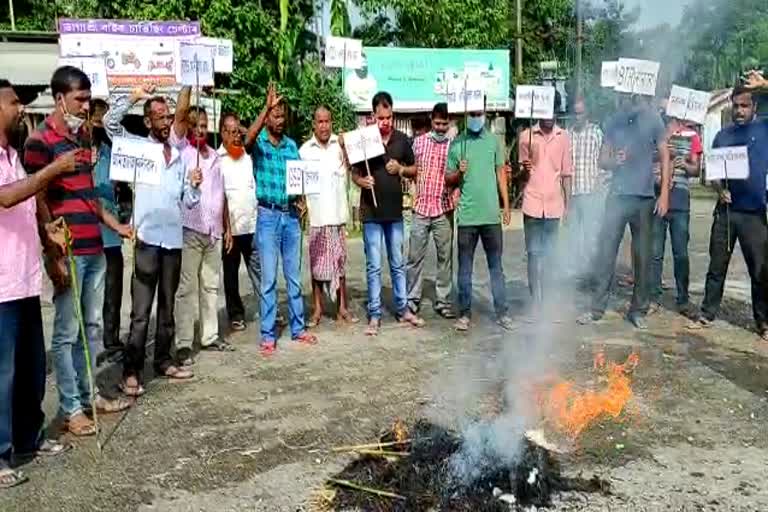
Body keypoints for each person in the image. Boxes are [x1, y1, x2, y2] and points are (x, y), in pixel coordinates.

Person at [24, 66, 133, 436]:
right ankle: (71, 408)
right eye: (80, 99)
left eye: (89, 99)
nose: (86, 107)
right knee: (68, 333)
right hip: (67, 250)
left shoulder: (82, 139)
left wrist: (117, 226)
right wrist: (50, 248)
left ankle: (90, 395)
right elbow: (35, 196)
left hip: (95, 246)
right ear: (59, 98)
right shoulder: (40, 141)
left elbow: (88, 196)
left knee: (92, 327)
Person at [104, 85, 202, 395]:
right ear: (147, 122)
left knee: (167, 307)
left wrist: (195, 186)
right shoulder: (138, 149)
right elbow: (110, 124)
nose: (164, 122)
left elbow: (188, 201)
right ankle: (131, 371)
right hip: (146, 239)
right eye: (158, 117)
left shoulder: (181, 157)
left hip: (172, 240)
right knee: (141, 311)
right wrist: (134, 96)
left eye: (168, 117)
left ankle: (163, 359)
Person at [0, 79, 71, 489]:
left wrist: (49, 234)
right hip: (2, 286)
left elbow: (30, 199)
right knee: (2, 373)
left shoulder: (13, 155)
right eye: (14, 104)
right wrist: (54, 170)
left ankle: (29, 437)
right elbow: (7, 197)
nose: (22, 110)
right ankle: (1, 453)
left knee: (31, 367)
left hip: (24, 279)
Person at [577, 94, 671, 330]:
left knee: (642, 256)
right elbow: (602, 159)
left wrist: (665, 194)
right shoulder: (614, 121)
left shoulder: (653, 120)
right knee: (606, 252)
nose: (633, 95)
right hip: (617, 196)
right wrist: (614, 161)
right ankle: (596, 308)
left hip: (644, 198)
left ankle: (638, 310)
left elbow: (665, 155)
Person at [689, 83, 768, 338]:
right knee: (717, 264)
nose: (739, 110)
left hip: (754, 212)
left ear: (755, 106)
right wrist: (719, 190)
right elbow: (712, 173)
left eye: (744, 105)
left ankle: (763, 321)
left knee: (760, 269)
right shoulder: (723, 136)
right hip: (726, 212)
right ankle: (707, 312)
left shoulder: (765, 128)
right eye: (735, 105)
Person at [245, 84, 317, 355]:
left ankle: (298, 329)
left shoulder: (291, 146)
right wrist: (265, 106)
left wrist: (301, 200)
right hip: (267, 215)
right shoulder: (259, 143)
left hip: (290, 216)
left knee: (294, 277)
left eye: (281, 115)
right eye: (275, 115)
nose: (279, 120)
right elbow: (246, 140)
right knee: (268, 280)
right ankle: (267, 334)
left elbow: (297, 180)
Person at [351, 91, 425, 336]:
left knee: (397, 263)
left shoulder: (403, 140)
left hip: (394, 213)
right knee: (373, 266)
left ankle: (403, 309)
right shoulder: (365, 140)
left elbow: (415, 170)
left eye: (389, 117)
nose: (386, 122)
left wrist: (401, 168)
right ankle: (374, 314)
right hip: (371, 213)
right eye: (381, 117)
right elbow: (354, 173)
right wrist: (361, 181)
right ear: (373, 116)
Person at [445, 102, 513, 332]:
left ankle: (502, 312)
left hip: (491, 216)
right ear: (466, 115)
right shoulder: (457, 144)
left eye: (479, 113)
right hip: (467, 217)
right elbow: (448, 179)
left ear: (485, 114)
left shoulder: (494, 142)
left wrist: (505, 206)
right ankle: (464, 313)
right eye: (472, 114)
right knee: (465, 269)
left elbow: (500, 173)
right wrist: (458, 172)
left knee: (496, 266)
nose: (475, 117)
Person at [175, 106, 234, 364]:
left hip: (213, 232)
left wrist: (227, 227)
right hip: (190, 229)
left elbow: (222, 195)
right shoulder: (182, 155)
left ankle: (209, 335)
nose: (200, 130)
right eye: (196, 125)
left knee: (210, 285)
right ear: (188, 128)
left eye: (203, 125)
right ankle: (184, 343)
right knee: (186, 288)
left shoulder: (215, 158)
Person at [299, 106, 358, 326]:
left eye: (327, 121)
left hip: (337, 217)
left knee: (340, 265)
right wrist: (300, 203)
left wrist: (346, 149)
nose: (324, 126)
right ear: (313, 124)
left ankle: (342, 307)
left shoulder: (340, 145)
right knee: (316, 268)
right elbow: (299, 185)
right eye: (320, 121)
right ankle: (317, 309)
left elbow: (353, 169)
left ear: (331, 122)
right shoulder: (304, 151)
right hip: (316, 219)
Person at [519, 100, 572, 311]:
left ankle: (548, 300)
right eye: (546, 111)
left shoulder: (563, 137)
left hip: (553, 205)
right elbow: (520, 177)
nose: (550, 115)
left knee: (550, 255)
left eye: (554, 111)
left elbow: (566, 173)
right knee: (533, 254)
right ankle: (535, 301)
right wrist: (525, 168)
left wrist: (569, 206)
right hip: (532, 203)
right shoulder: (526, 137)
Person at [406, 102, 456, 319]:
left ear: (449, 123)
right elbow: (411, 169)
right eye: (437, 123)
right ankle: (412, 298)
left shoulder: (454, 146)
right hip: (421, 208)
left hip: (444, 209)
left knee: (445, 257)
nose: (440, 128)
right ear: (431, 121)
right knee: (415, 256)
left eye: (444, 124)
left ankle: (443, 300)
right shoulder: (418, 143)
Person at [650, 116, 702, 313]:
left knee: (681, 253)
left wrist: (683, 163)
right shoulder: (658, 133)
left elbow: (695, 170)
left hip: (680, 200)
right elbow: (647, 157)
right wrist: (662, 152)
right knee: (655, 252)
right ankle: (653, 297)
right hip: (657, 197)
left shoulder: (692, 136)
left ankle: (683, 298)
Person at [90, 99, 128, 363]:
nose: (98, 127)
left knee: (113, 292)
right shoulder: (77, 154)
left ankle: (112, 342)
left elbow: (122, 186)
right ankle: (89, 349)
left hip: (112, 235)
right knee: (90, 295)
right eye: (95, 121)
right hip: (87, 237)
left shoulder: (111, 151)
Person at [219, 112, 261, 331]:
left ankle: (267, 308)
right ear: (222, 133)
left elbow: (252, 133)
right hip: (230, 229)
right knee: (231, 275)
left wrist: (244, 130)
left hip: (252, 225)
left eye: (238, 131)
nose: (236, 136)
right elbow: (220, 197)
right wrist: (225, 227)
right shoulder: (216, 160)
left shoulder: (246, 154)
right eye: (231, 131)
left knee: (259, 271)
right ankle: (235, 313)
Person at [566, 97, 604, 283]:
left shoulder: (596, 132)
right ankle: (576, 272)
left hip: (590, 192)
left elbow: (602, 161)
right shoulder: (568, 134)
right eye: (576, 113)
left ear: (587, 113)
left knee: (590, 235)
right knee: (573, 234)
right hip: (573, 192)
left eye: (581, 112)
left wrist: (599, 185)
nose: (578, 116)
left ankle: (592, 272)